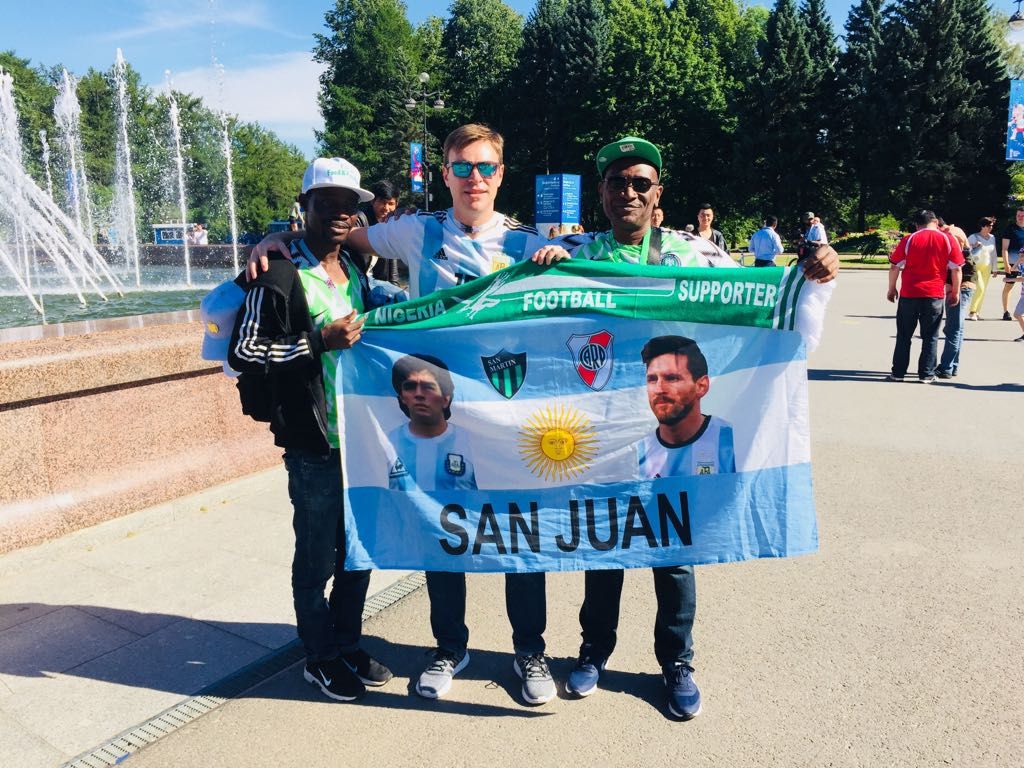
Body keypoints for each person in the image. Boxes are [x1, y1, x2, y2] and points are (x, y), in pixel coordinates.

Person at [248, 124, 564, 706]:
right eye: (462, 167)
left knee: (517, 535)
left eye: (485, 167)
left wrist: (564, 258)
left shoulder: (528, 244)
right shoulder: (418, 230)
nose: (474, 178)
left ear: (501, 173)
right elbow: (339, 231)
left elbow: (603, 269)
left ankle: (529, 651)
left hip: (507, 420)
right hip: (438, 419)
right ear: (445, 173)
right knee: (441, 532)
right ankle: (448, 647)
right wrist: (276, 239)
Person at [537, 135, 838, 719]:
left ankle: (676, 662)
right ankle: (594, 651)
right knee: (604, 549)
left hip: (669, 430)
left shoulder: (694, 253)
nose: (628, 192)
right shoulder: (573, 252)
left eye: (640, 183)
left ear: (658, 194)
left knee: (674, 553)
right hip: (604, 433)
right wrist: (539, 267)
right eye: (617, 182)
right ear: (601, 191)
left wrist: (817, 276)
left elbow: (762, 300)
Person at [227, 157, 392, 702]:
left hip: (363, 438)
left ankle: (346, 643)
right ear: (305, 207)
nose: (341, 213)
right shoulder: (277, 272)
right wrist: (318, 341)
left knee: (358, 551)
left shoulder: (356, 269)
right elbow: (245, 353)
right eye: (328, 203)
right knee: (317, 557)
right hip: (313, 441)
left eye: (349, 204)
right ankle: (318, 656)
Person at [886, 209, 964, 383]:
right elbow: (957, 268)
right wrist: (955, 291)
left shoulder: (909, 239)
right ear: (935, 222)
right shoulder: (947, 239)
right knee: (930, 336)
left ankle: (898, 372)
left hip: (909, 293)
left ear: (916, 224)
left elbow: (895, 266)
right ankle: (926, 374)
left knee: (904, 335)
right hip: (934, 294)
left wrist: (891, 288)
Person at [936, 236, 977, 378]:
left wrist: (953, 292)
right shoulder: (965, 255)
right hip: (963, 289)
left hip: (959, 291)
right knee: (957, 329)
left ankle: (946, 367)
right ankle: (953, 366)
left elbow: (956, 274)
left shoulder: (959, 256)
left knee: (952, 329)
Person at [357, 180, 401, 285]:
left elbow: (392, 260)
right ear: (373, 201)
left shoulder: (391, 223)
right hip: (361, 280)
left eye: (391, 203)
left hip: (379, 282)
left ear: (396, 204)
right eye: (382, 202)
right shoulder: (360, 219)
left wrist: (395, 286)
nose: (386, 208)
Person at [966, 217, 997, 321]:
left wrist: (995, 268)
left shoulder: (992, 237)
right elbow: (965, 250)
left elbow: (993, 253)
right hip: (975, 267)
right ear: (982, 226)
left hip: (987, 267)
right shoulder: (973, 237)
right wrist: (974, 245)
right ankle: (972, 312)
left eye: (991, 226)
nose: (990, 228)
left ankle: (977, 312)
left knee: (983, 291)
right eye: (988, 226)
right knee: (980, 288)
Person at [998, 206, 1024, 320]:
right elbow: (1004, 248)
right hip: (1013, 262)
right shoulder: (1010, 229)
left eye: (1022, 216)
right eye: (1018, 215)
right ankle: (1006, 311)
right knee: (1008, 286)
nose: (1020, 217)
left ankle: (1021, 312)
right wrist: (1006, 263)